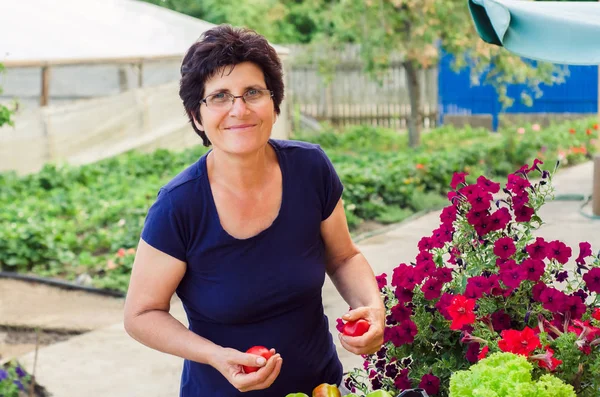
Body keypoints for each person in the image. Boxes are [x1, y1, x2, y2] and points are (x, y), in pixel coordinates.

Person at [123, 24, 385, 396]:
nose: (239, 109)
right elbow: (141, 314)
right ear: (197, 116)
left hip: (320, 387)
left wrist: (373, 308)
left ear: (274, 103)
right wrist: (215, 356)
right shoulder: (179, 205)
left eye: (252, 92)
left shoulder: (310, 169)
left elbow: (343, 257)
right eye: (219, 96)